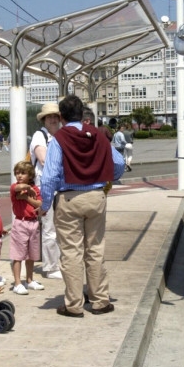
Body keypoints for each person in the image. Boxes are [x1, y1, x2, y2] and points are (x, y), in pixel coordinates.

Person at [39, 95, 125, 317]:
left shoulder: (59, 138)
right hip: (96, 197)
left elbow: (48, 177)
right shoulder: (98, 135)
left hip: (69, 199)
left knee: (71, 252)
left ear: (61, 116)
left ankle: (74, 304)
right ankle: (100, 301)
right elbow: (119, 163)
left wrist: (45, 204)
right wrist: (107, 177)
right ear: (83, 114)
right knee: (95, 249)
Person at [29, 103, 62, 280]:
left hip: (61, 188)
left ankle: (58, 263)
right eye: (49, 117)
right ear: (43, 119)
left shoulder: (60, 136)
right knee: (49, 228)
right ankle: (50, 267)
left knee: (61, 228)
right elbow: (43, 159)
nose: (53, 119)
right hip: (45, 187)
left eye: (56, 116)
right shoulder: (39, 135)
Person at [9, 161, 45, 295]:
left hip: (33, 223)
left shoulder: (35, 189)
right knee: (18, 255)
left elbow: (39, 203)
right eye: (17, 173)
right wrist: (27, 190)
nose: (19, 176)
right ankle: (17, 283)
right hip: (21, 223)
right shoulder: (15, 187)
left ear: (30, 175)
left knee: (31, 254)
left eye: (23, 173)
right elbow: (18, 189)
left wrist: (26, 197)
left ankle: (29, 280)